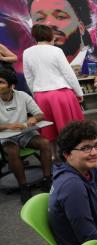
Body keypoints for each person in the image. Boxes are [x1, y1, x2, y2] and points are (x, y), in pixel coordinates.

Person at [48, 120, 97, 245]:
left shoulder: (93, 170)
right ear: (67, 154)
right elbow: (89, 236)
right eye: (85, 148)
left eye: (96, 145)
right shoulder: (71, 186)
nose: (94, 152)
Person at [22, 24, 84, 155]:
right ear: (50, 36)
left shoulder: (27, 53)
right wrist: (79, 92)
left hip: (41, 96)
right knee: (69, 129)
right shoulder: (56, 51)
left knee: (48, 131)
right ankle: (71, 155)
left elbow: (29, 77)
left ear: (35, 36)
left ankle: (53, 158)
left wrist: (35, 95)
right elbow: (68, 73)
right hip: (60, 94)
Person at [0, 68, 52, 203]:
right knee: (12, 150)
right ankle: (24, 186)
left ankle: (47, 179)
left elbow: (40, 114)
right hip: (5, 136)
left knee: (44, 143)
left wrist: (33, 119)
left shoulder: (22, 96)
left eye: (1, 82)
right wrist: (7, 126)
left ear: (12, 86)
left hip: (24, 133)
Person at [28, 0, 97, 72]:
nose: (49, 24)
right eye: (40, 18)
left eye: (60, 17)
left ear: (81, 27)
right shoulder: (36, 68)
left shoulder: (93, 65)